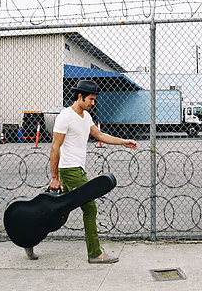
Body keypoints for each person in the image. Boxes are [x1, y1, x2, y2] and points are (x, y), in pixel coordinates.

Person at [24, 79, 137, 263]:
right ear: (80, 96)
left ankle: (28, 238)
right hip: (70, 171)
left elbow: (99, 135)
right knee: (90, 208)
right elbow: (55, 147)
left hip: (77, 170)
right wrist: (54, 177)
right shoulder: (65, 116)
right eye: (91, 99)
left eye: (94, 100)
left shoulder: (86, 117)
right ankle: (94, 253)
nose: (93, 103)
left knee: (57, 211)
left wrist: (123, 141)